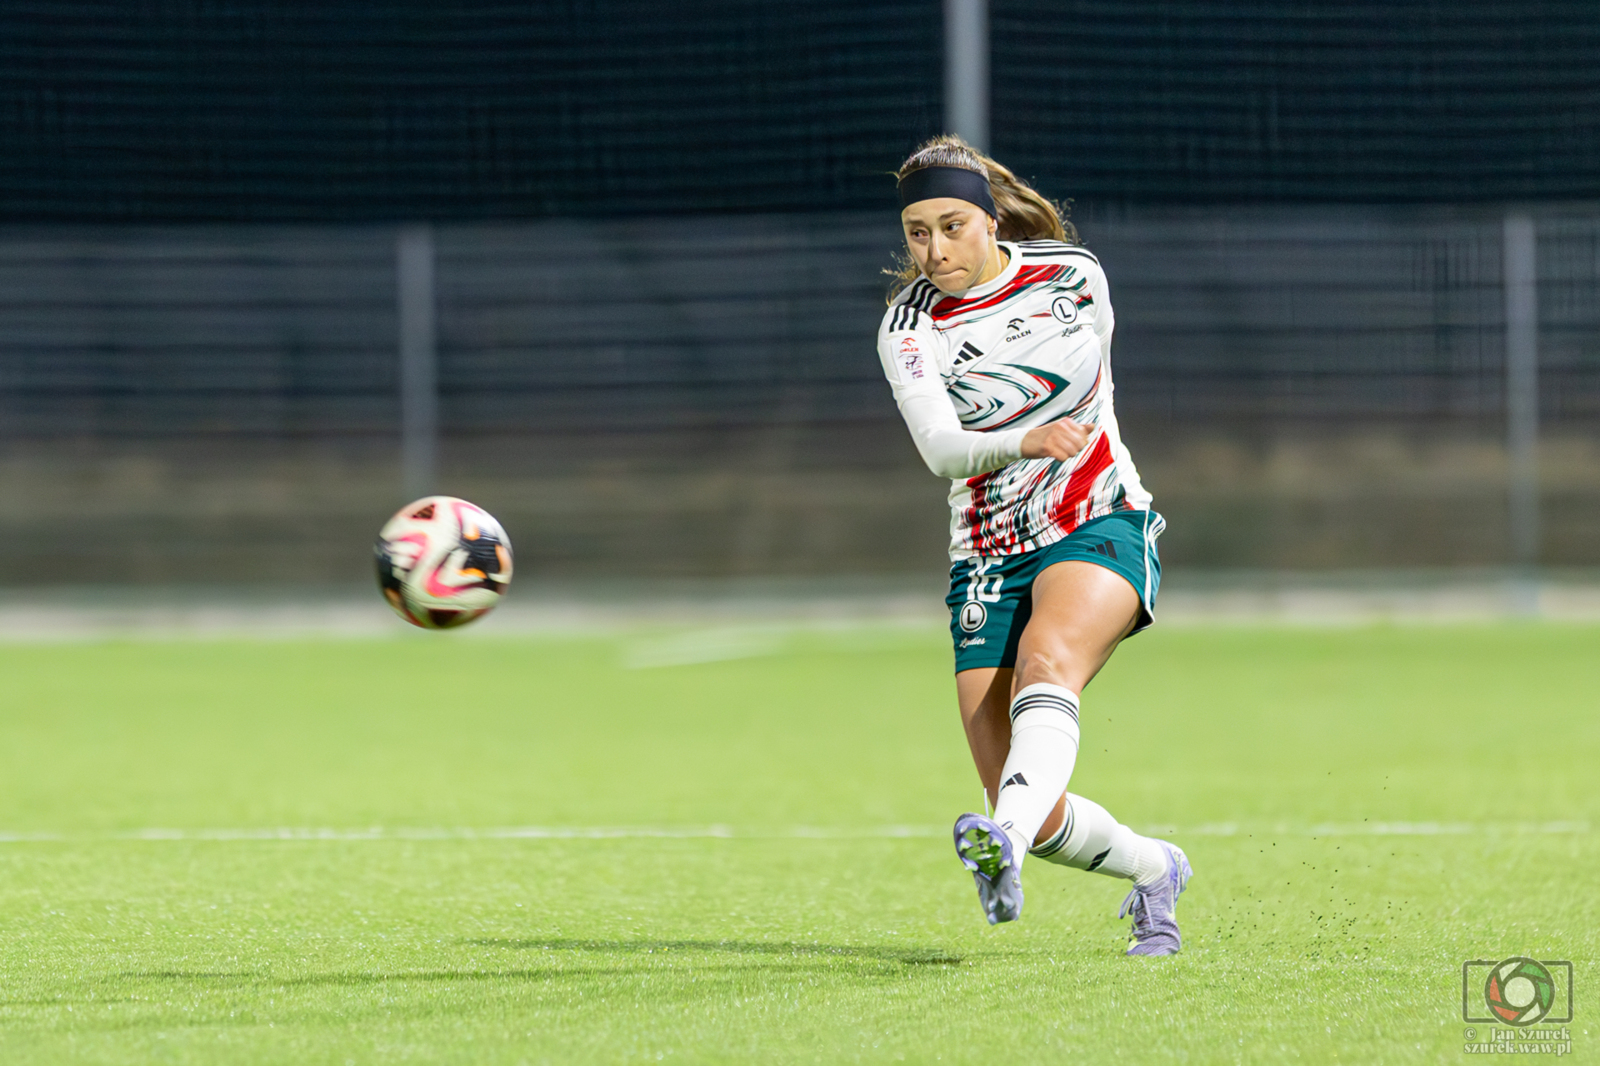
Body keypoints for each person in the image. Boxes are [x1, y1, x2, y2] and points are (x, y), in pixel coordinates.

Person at [876, 135, 1192, 956]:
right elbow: (942, 450)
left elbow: (1091, 391)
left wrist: (1056, 445)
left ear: (987, 219)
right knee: (1026, 796)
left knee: (1052, 662)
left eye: (951, 226)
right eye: (917, 232)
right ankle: (1155, 869)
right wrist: (1024, 439)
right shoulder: (908, 328)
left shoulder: (1072, 277)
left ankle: (1000, 846)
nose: (935, 250)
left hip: (1099, 517)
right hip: (987, 556)